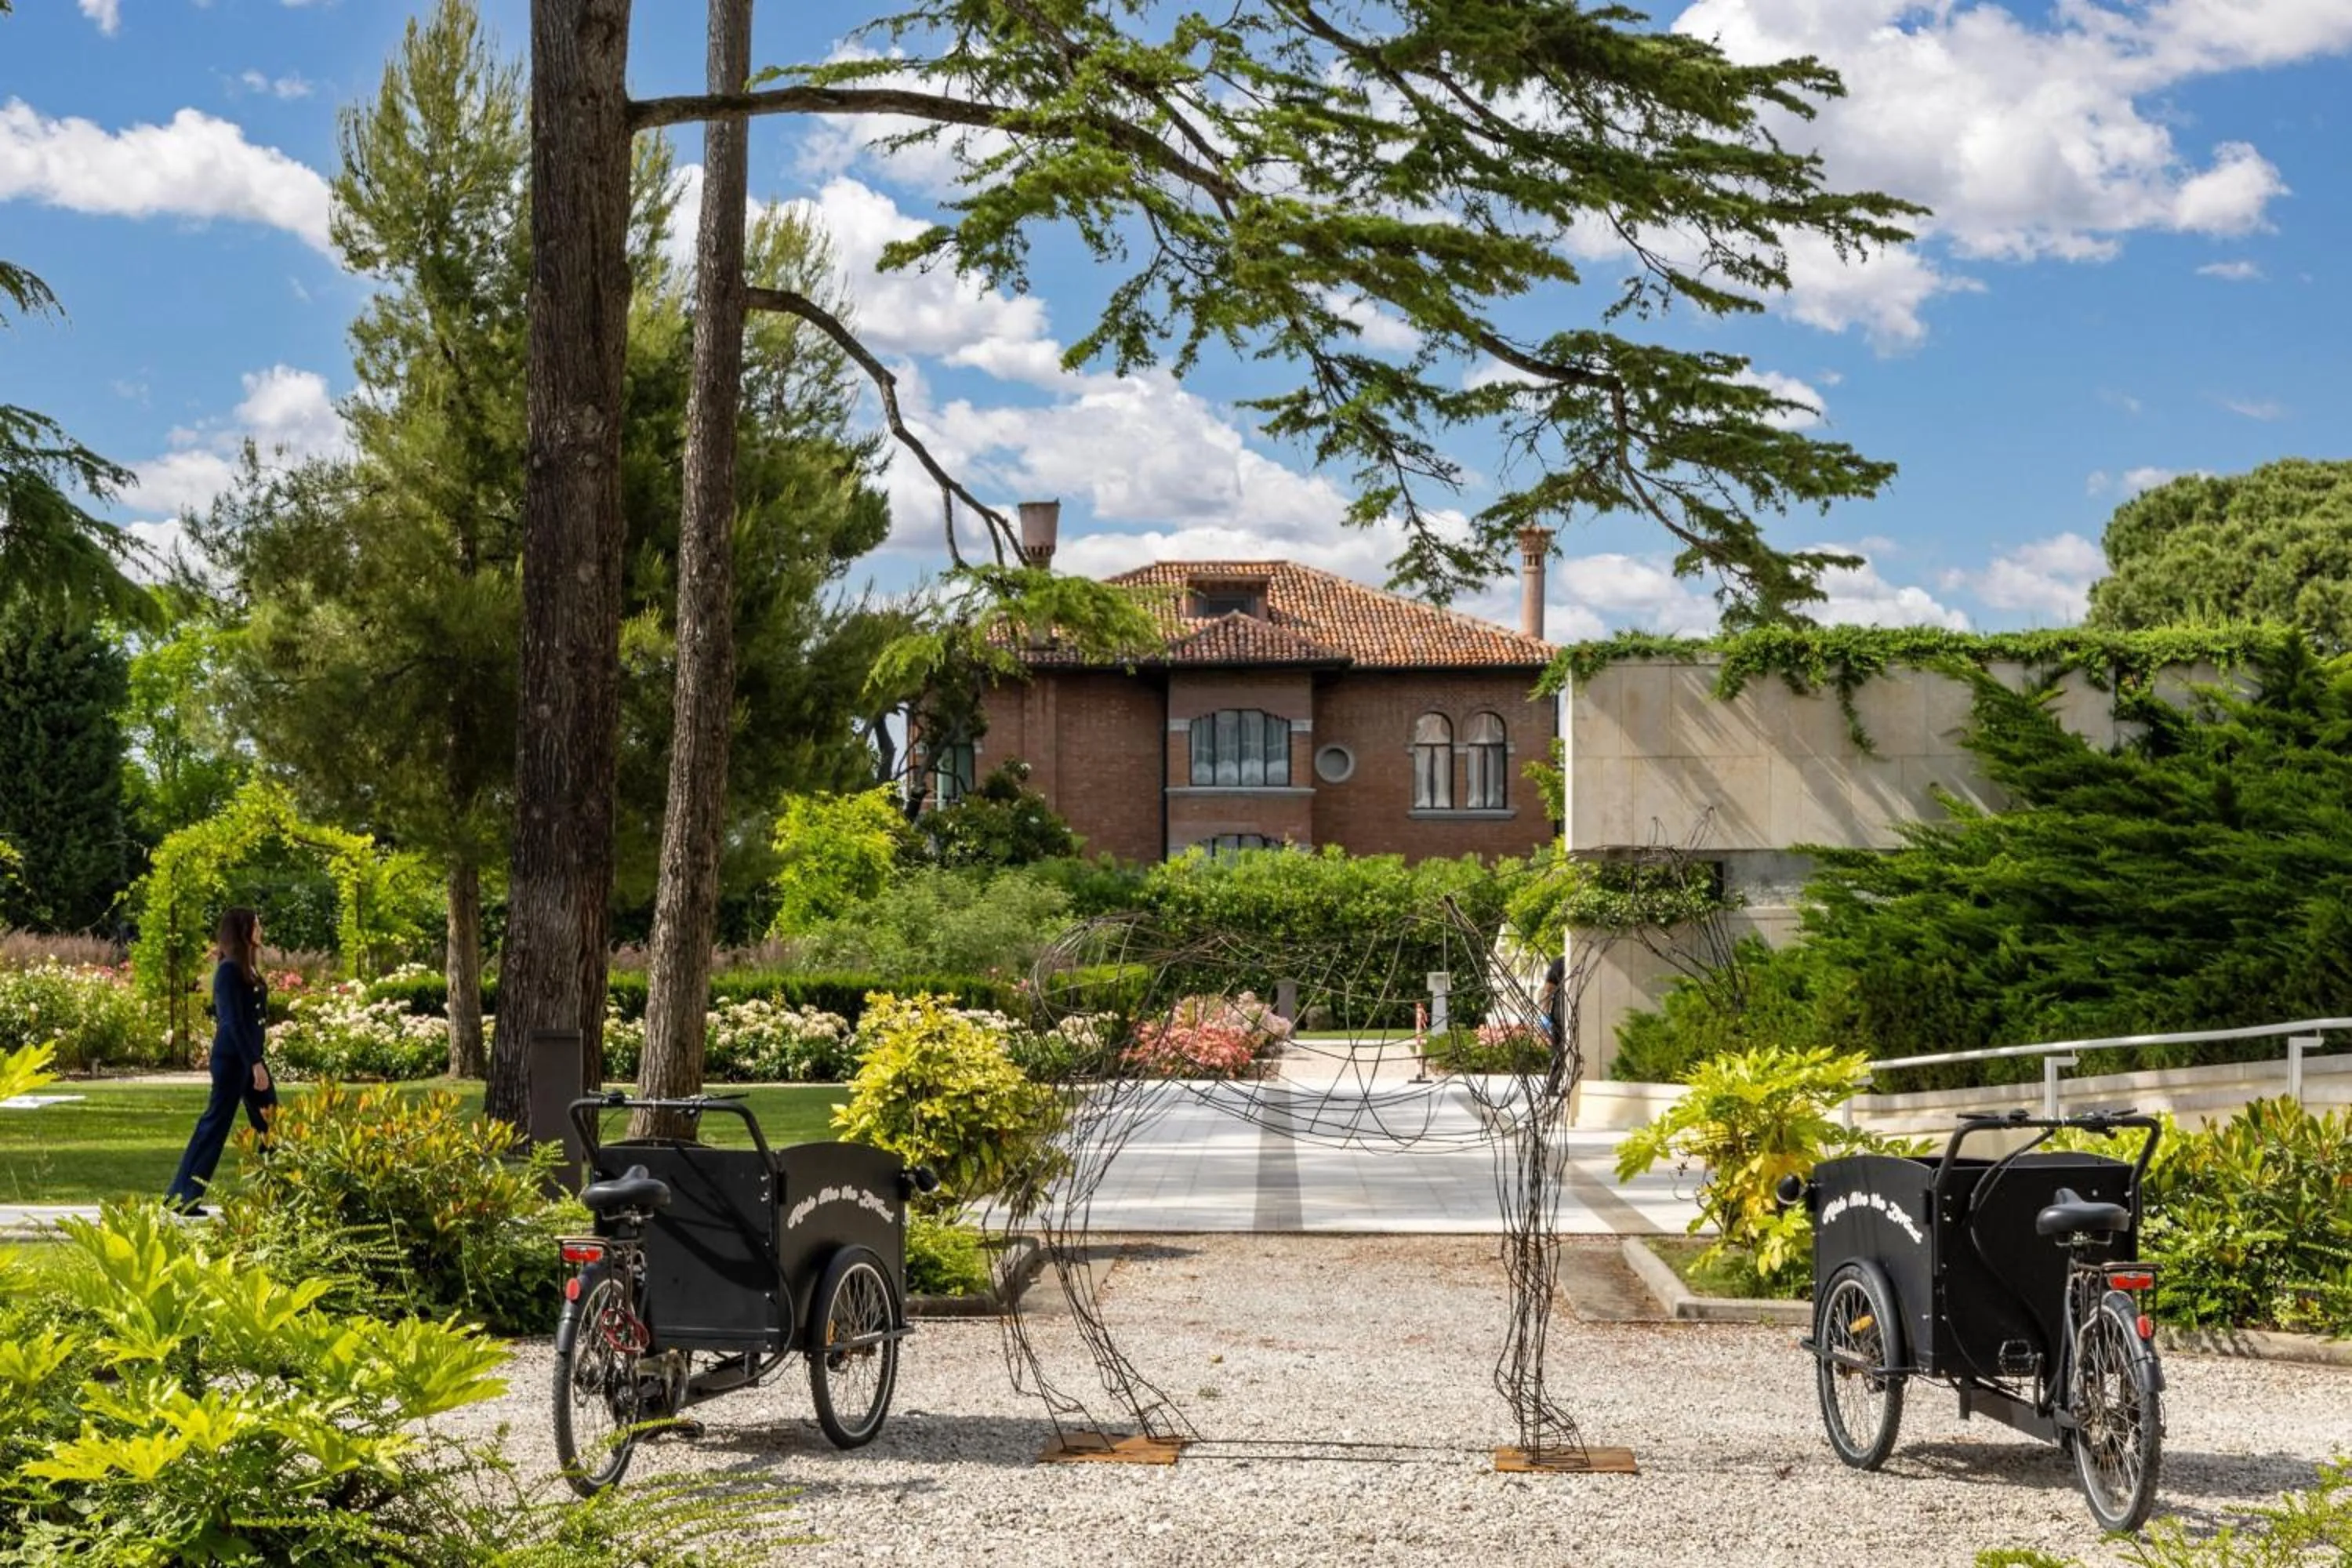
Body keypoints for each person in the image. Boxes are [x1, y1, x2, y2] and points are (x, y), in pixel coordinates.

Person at [164, 907, 277, 1215]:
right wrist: (254, 1063)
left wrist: (256, 1060)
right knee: (215, 1125)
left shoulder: (247, 969)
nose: (260, 930)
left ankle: (278, 1192)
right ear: (242, 931)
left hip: (251, 1059)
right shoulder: (228, 970)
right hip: (233, 1061)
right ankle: (183, 1196)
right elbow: (231, 1022)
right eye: (256, 925)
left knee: (271, 1121)